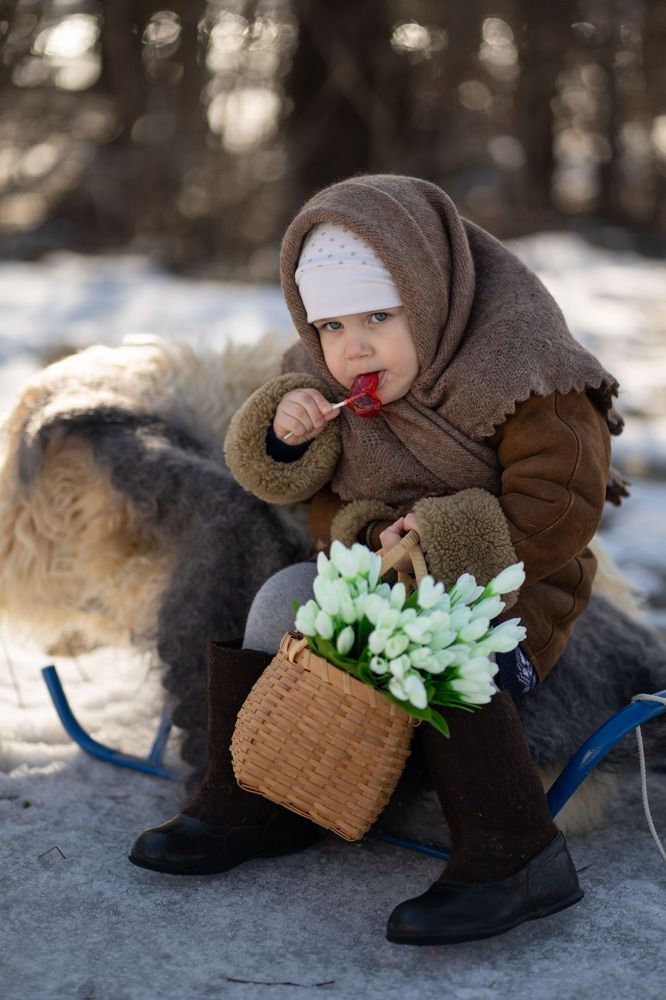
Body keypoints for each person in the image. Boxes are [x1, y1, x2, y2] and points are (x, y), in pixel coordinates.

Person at [130, 175, 627, 945]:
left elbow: (560, 505)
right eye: (328, 325)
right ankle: (256, 797)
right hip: (375, 570)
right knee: (281, 600)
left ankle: (515, 852)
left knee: (439, 630)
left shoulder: (527, 366)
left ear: (432, 294)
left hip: (509, 585)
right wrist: (287, 434)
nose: (350, 345)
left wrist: (439, 541)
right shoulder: (328, 377)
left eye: (377, 316)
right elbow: (298, 490)